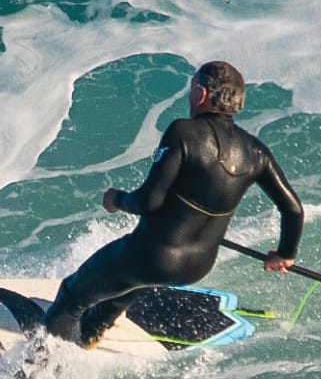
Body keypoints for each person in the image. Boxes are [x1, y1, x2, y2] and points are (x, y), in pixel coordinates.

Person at [44, 60, 303, 347]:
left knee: (71, 296)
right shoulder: (256, 151)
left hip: (153, 257)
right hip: (197, 266)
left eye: (192, 89)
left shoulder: (184, 132)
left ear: (201, 94)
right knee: (132, 275)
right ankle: (94, 329)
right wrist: (284, 254)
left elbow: (148, 202)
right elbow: (293, 210)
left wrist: (116, 199)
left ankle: (39, 367)